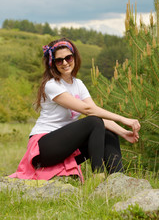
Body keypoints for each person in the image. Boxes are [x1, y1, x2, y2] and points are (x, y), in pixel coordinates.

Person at [9, 38, 140, 182]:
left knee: (109, 133)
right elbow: (88, 110)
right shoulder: (51, 85)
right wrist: (123, 119)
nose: (65, 63)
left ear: (74, 57)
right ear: (53, 63)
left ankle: (119, 180)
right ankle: (98, 177)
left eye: (68, 58)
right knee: (94, 122)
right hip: (43, 148)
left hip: (64, 147)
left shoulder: (78, 84)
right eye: (59, 60)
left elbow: (95, 110)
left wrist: (123, 133)